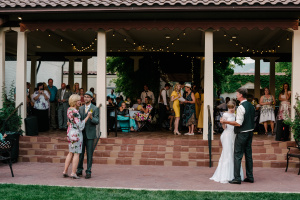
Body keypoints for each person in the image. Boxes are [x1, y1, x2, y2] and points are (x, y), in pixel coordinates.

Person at [221, 88, 255, 184]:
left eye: (237, 93)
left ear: (240, 95)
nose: (236, 95)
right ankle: (250, 177)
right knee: (248, 155)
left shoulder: (241, 107)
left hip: (242, 133)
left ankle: (237, 178)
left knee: (237, 155)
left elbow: (238, 123)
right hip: (250, 133)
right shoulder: (251, 105)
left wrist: (225, 121)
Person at [210, 101, 244, 183]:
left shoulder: (236, 114)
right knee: (227, 153)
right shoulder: (225, 115)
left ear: (235, 106)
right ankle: (226, 175)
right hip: (227, 135)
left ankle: (235, 174)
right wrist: (223, 122)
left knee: (234, 154)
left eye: (232, 107)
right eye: (230, 107)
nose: (231, 109)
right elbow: (224, 127)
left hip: (234, 135)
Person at [63, 94, 91, 179]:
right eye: (79, 100)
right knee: (76, 154)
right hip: (76, 134)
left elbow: (69, 121)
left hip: (70, 132)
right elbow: (80, 126)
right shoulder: (75, 111)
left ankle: (65, 171)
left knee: (70, 152)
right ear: (75, 102)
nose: (80, 101)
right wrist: (88, 117)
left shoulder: (69, 109)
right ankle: (73, 173)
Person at [76, 91, 99, 179]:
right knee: (80, 153)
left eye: (88, 97)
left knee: (89, 153)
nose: (86, 98)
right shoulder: (80, 108)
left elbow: (97, 121)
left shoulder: (95, 108)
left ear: (91, 99)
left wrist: (91, 117)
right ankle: (79, 169)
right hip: (81, 133)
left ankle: (88, 171)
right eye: (85, 97)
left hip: (90, 134)